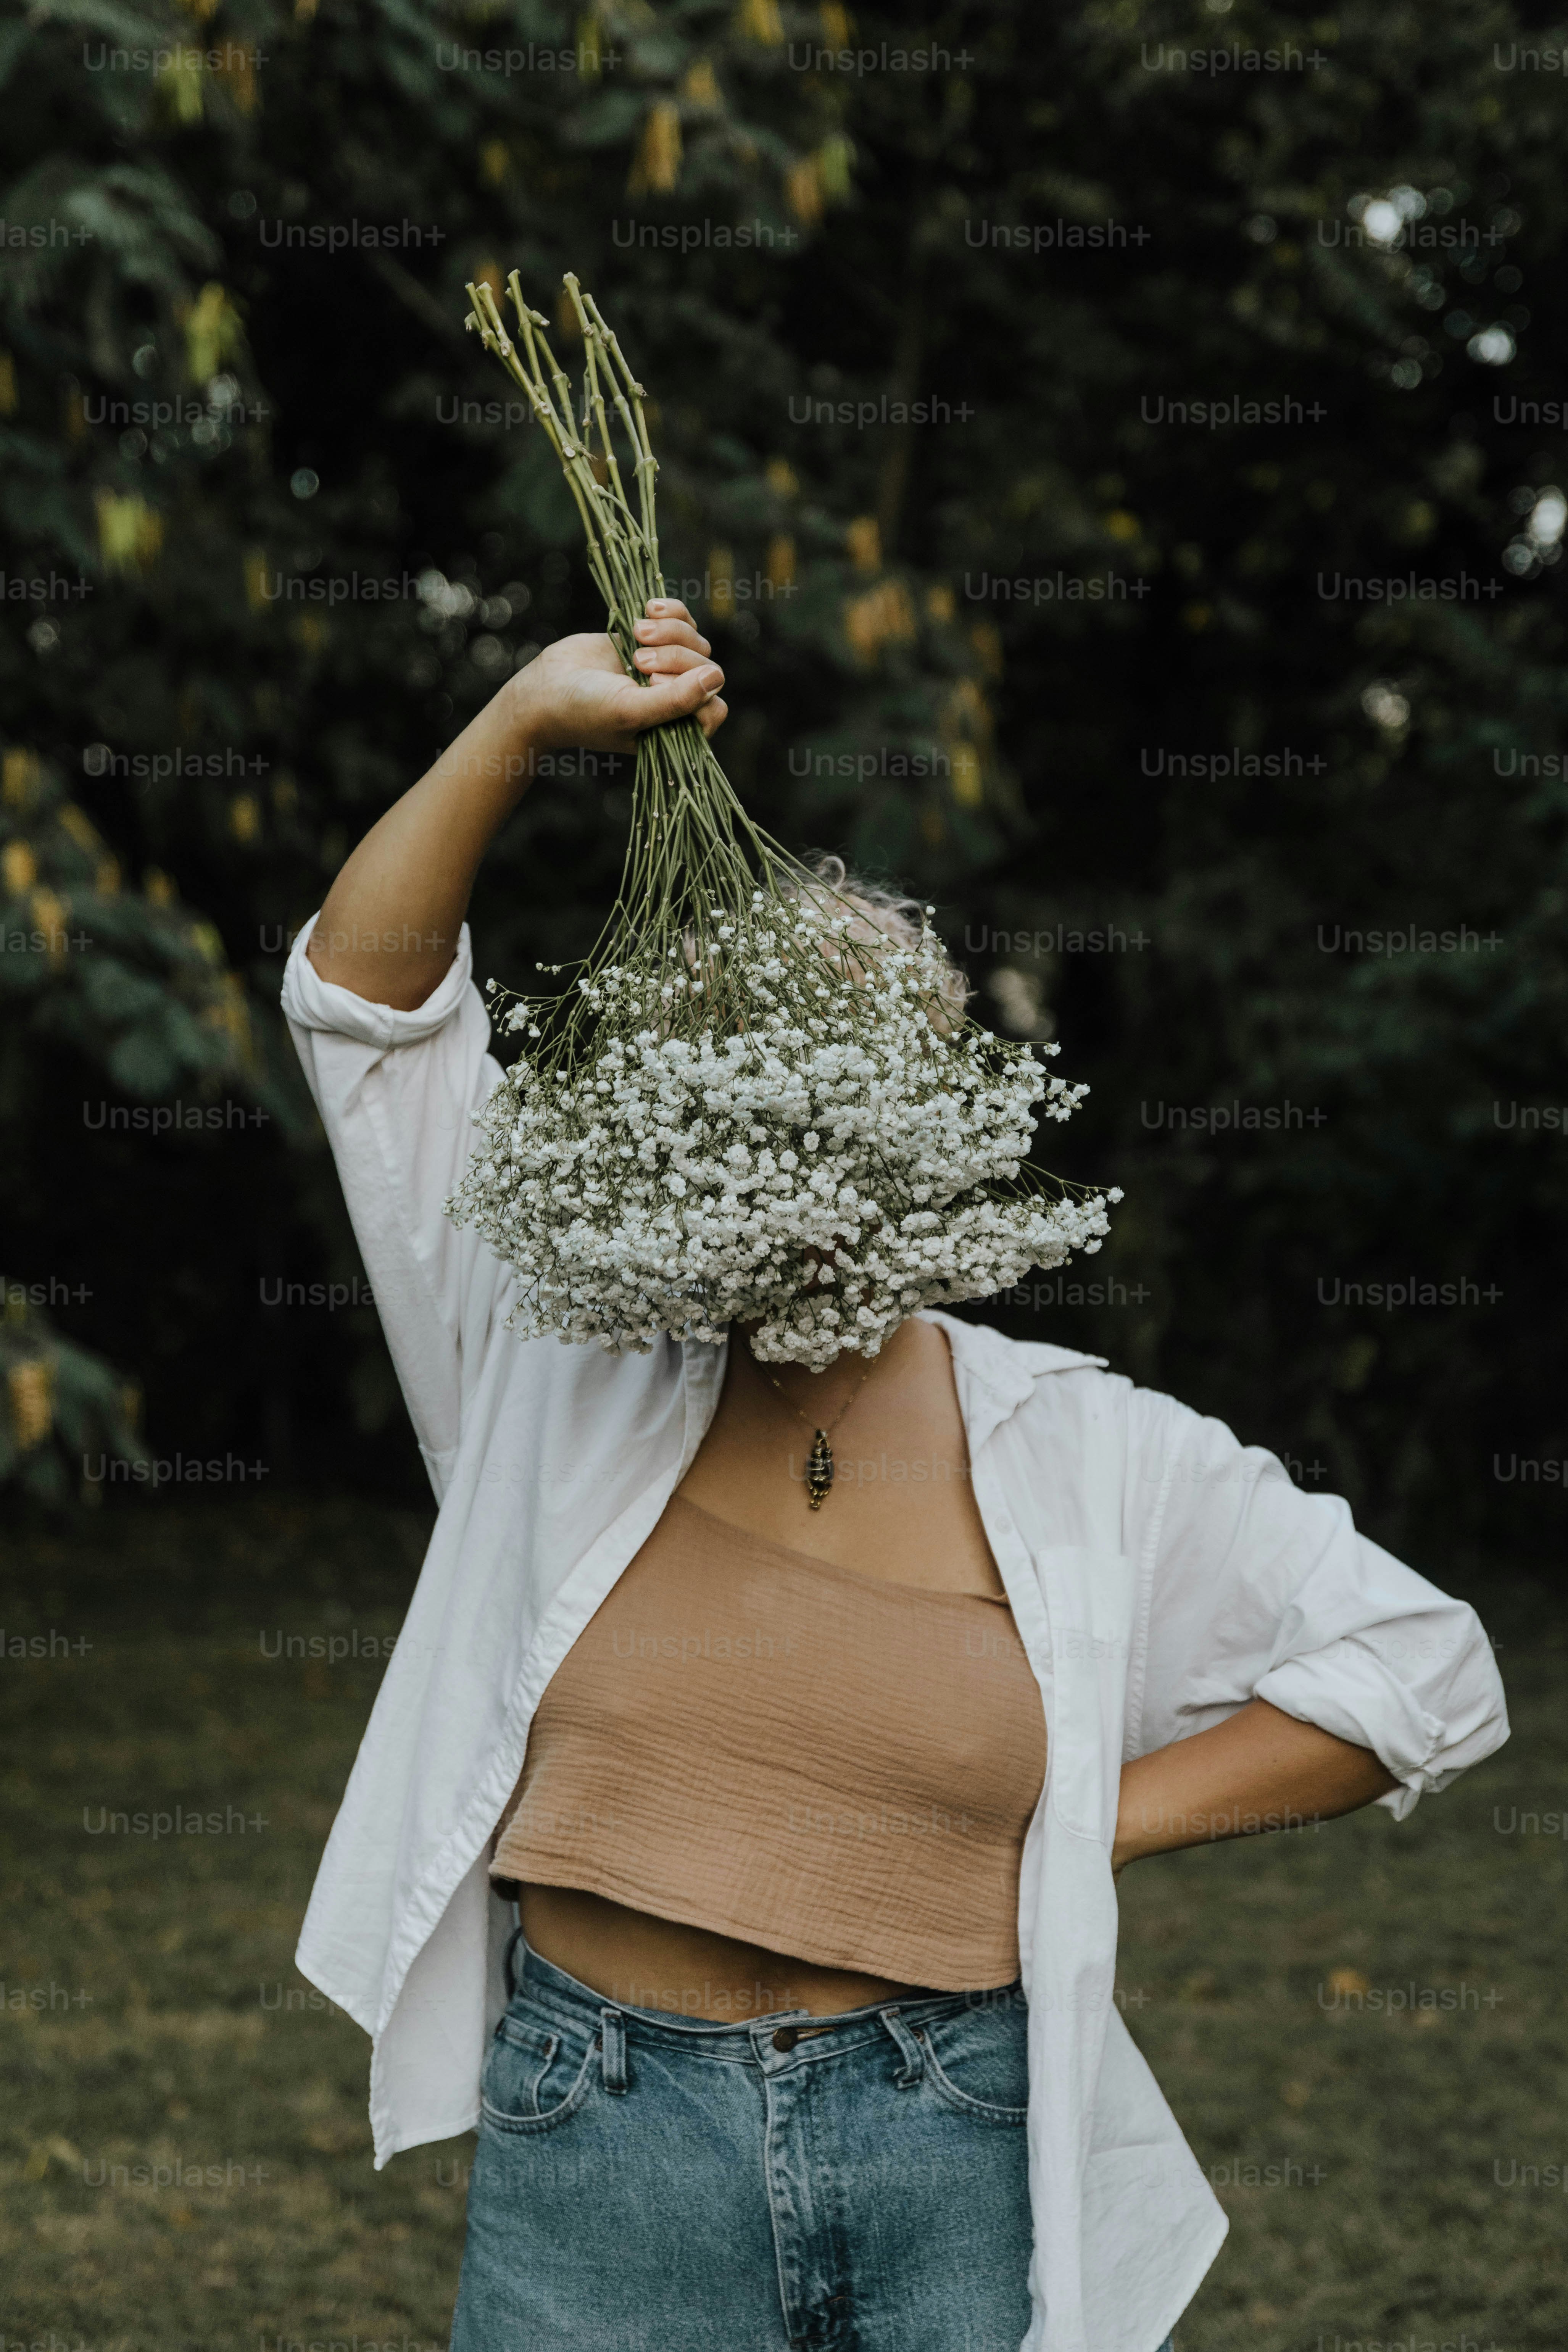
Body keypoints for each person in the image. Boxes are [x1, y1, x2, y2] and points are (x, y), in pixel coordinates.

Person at [280, 598, 1509, 2352]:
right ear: (673, 1115)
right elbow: (365, 1007)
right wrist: (520, 724)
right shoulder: (546, 1342)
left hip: (954, 2124)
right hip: (603, 2131)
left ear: (922, 1122)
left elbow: (1421, 1665)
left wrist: (1086, 1819)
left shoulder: (1076, 1442)